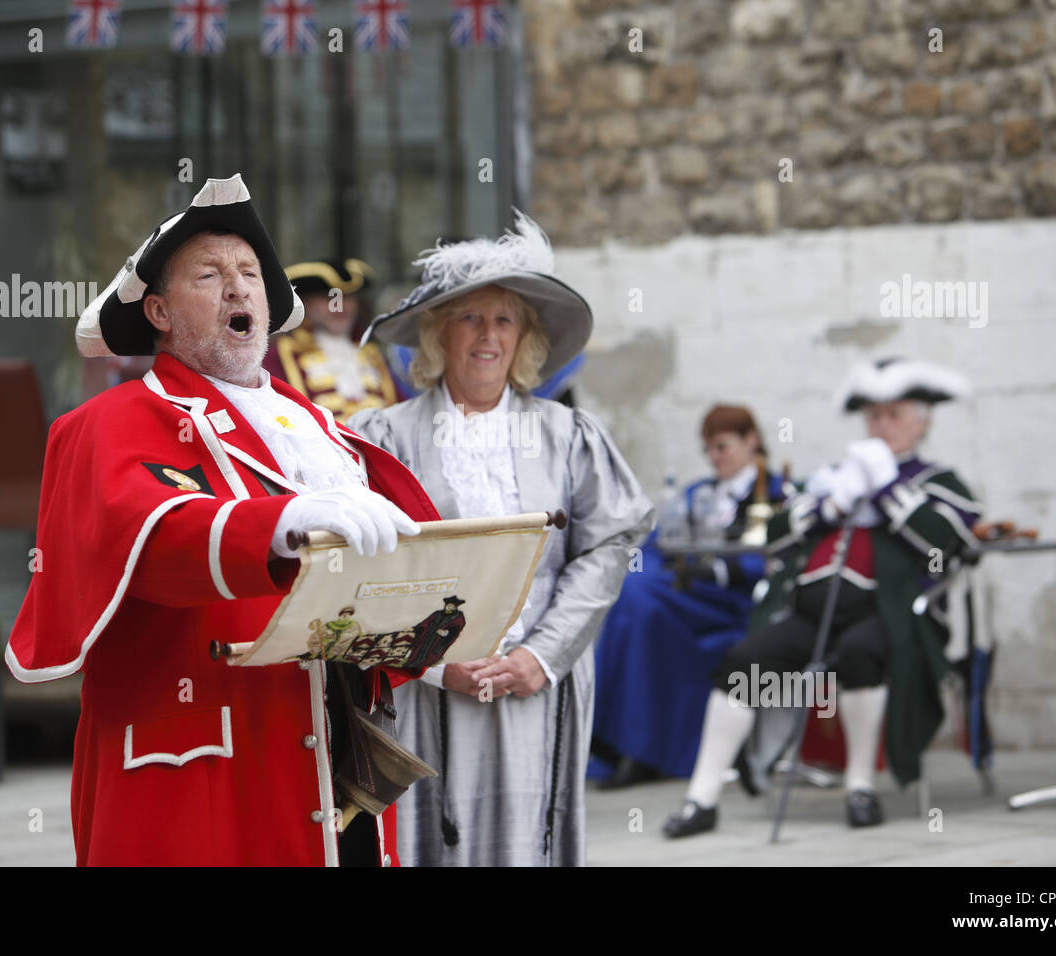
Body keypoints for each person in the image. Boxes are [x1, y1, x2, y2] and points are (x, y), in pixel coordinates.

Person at [5, 174, 442, 866]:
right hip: (196, 761)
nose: (239, 288)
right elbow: (149, 537)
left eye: (249, 274)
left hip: (328, 750)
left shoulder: (314, 425)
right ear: (158, 313)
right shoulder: (108, 423)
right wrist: (278, 521)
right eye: (209, 275)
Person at [349, 213, 654, 866]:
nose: (488, 336)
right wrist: (432, 662)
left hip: (536, 681)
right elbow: (361, 565)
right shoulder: (382, 438)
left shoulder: (569, 434)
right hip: (422, 686)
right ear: (438, 334)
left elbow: (610, 545)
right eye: (470, 318)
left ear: (525, 339)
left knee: (525, 842)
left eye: (504, 320)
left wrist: (541, 656)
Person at [663, 357, 981, 837]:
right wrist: (831, 504)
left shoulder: (938, 481)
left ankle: (860, 787)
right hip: (812, 613)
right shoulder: (838, 476)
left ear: (922, 422)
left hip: (889, 616)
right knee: (744, 661)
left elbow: (946, 543)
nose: (881, 425)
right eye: (873, 415)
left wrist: (890, 490)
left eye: (894, 415)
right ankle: (701, 799)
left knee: (860, 653)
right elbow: (772, 536)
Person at [590, 405, 791, 788]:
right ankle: (626, 743)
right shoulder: (699, 492)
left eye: (722, 446)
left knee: (639, 599)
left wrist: (716, 570)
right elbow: (661, 540)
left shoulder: (775, 490)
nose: (715, 458)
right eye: (709, 450)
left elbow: (778, 554)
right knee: (633, 593)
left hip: (734, 603)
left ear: (751, 440)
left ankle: (631, 745)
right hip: (686, 597)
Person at [263, 257, 400, 423]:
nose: (340, 306)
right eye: (329, 298)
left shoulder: (373, 355)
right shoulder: (278, 356)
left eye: (348, 298)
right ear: (306, 302)